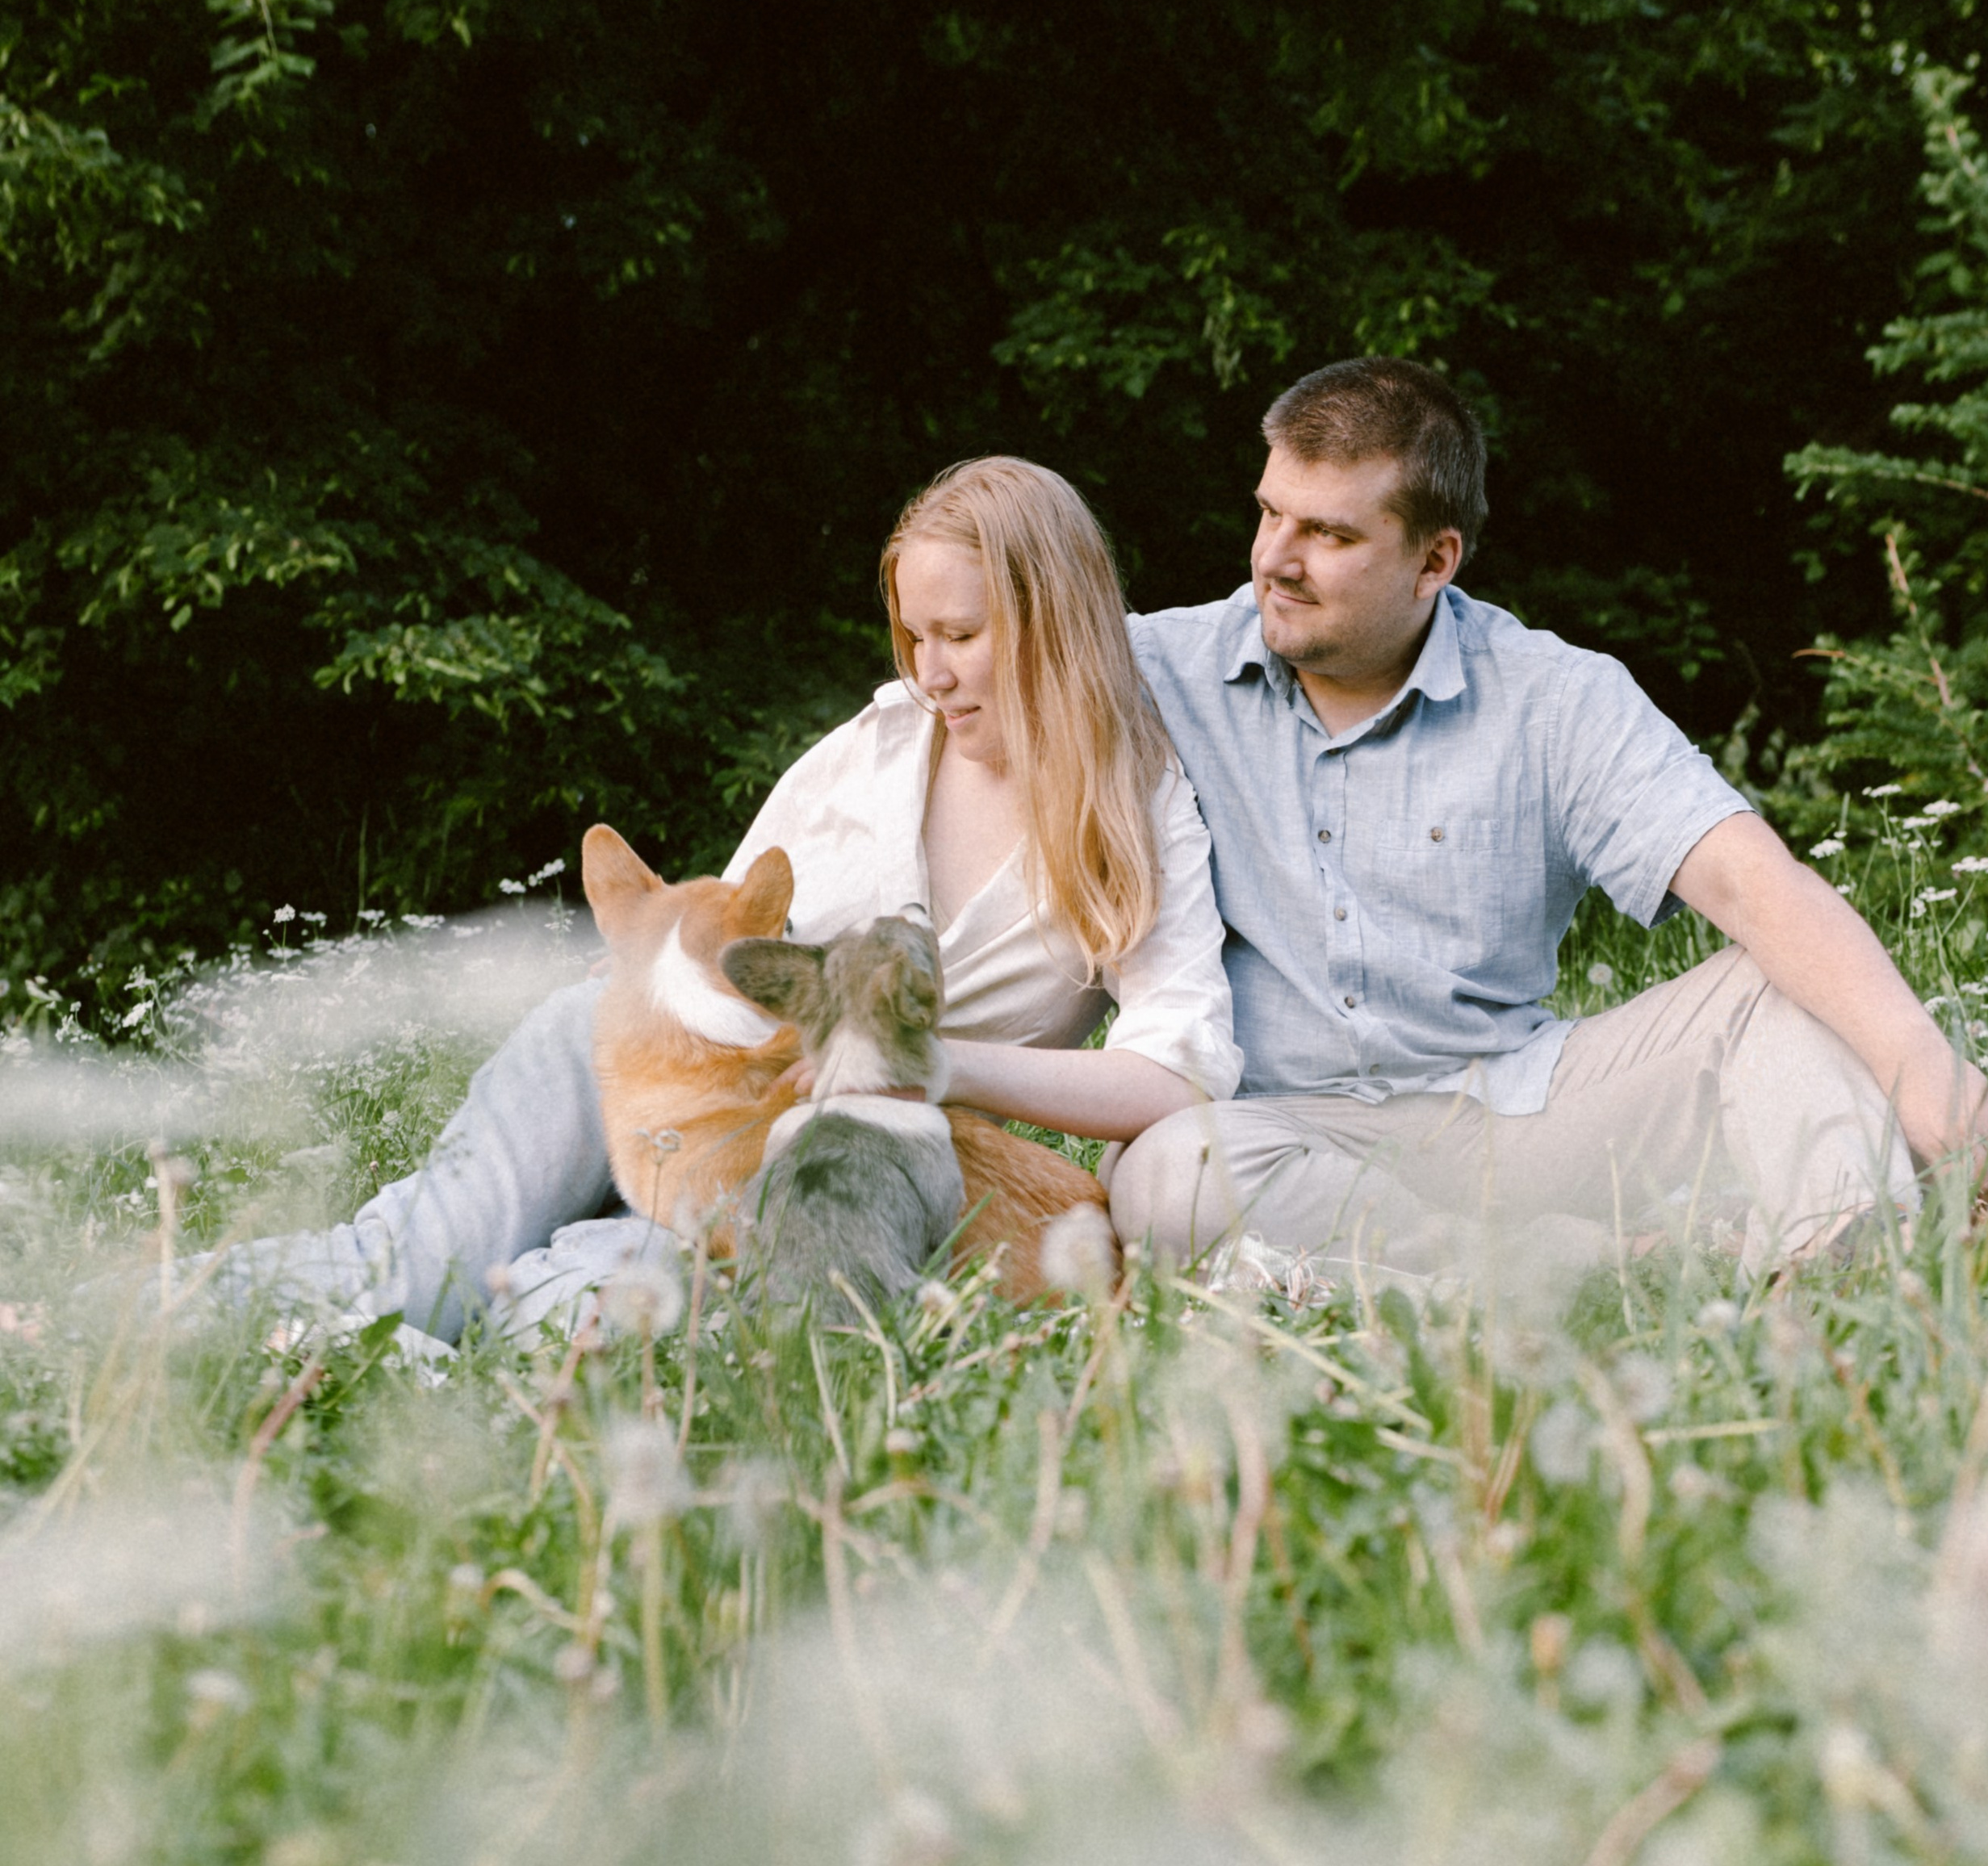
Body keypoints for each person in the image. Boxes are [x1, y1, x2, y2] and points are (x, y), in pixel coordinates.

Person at [225, 458, 1237, 1344]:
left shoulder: (1136, 817)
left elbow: (1172, 1077)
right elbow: (720, 923)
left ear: (1049, 622)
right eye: (914, 636)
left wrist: (931, 1067)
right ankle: (119, 1319)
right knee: (421, 1262)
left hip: (782, 1168)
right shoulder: (872, 748)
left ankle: (386, 1378)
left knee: (593, 1309)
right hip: (622, 1052)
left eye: (962, 635)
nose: (931, 673)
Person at [1102, 354, 1988, 1285]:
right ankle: (1610, 1265)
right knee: (1166, 1172)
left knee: (1775, 991)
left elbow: (1747, 879)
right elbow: (952, 681)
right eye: (1268, 512)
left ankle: (1848, 1276)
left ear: (1433, 560)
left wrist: (1926, 1073)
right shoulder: (1150, 673)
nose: (1273, 561)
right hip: (1282, 1127)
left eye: (1327, 534)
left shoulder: (1551, 695)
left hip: (1522, 1114)